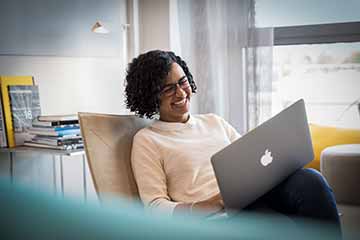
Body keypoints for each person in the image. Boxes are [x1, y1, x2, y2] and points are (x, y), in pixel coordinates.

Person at [124, 50, 340, 226]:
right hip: (218, 216)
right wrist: (207, 205)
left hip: (252, 196)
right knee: (278, 224)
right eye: (168, 89)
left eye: (182, 82)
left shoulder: (213, 121)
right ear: (150, 96)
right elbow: (154, 207)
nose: (180, 93)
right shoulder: (147, 140)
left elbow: (251, 159)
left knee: (311, 180)